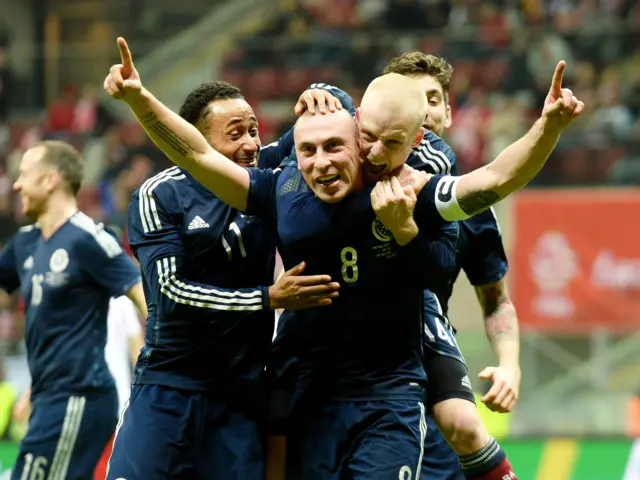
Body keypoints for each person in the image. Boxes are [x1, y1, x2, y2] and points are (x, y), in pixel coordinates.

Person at [103, 37, 583, 479]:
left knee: (461, 423)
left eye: (335, 147)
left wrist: (549, 126)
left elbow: (495, 179)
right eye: (307, 151)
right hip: (312, 395)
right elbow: (197, 156)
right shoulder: (280, 189)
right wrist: (138, 99)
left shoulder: (407, 189)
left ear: (360, 143)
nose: (321, 162)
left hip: (388, 396)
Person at [105, 79, 341, 480]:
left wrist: (319, 91)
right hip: (168, 387)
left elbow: (332, 118)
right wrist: (266, 298)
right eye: (235, 134)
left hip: (240, 398)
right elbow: (170, 293)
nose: (250, 143)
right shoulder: (158, 195)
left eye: (253, 130)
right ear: (194, 139)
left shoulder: (265, 173)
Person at [383, 52, 520, 480]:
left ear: (446, 111)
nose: (423, 109)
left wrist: (510, 363)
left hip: (429, 369)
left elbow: (496, 298)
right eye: (411, 98)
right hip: (346, 369)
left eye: (433, 99)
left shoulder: (470, 205)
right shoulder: (349, 179)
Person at [0, 140, 146, 480]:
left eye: (24, 175)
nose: (17, 184)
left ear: (51, 180)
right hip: (47, 398)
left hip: (80, 396)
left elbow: (145, 297)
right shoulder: (24, 242)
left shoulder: (87, 238)